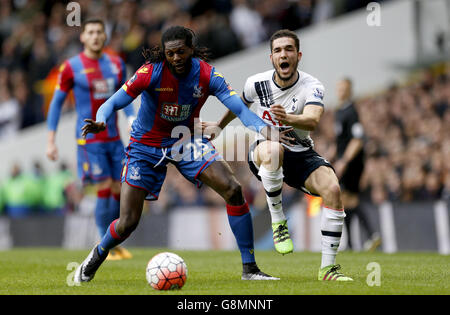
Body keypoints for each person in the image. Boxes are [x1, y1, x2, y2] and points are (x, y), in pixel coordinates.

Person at [74, 26, 287, 283]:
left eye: (181, 52)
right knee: (128, 221)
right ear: (164, 54)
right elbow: (113, 102)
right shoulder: (150, 73)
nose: (176, 58)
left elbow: (240, 110)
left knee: (233, 189)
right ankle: (97, 255)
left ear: (191, 50)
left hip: (184, 141)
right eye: (170, 53)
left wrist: (266, 131)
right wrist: (101, 120)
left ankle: (250, 269)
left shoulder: (207, 75)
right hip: (145, 146)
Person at [206, 29, 353, 281]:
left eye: (288, 49)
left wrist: (289, 118)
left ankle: (328, 269)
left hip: (301, 151)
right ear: (271, 58)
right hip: (264, 150)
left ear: (298, 55)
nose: (283, 54)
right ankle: (278, 221)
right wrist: (219, 127)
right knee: (274, 150)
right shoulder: (257, 83)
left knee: (333, 189)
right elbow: (239, 106)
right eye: (277, 50)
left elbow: (313, 120)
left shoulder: (312, 85)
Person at [46, 18, 135, 260]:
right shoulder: (71, 67)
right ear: (83, 37)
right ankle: (103, 245)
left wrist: (130, 119)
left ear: (104, 37)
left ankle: (112, 242)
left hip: (114, 139)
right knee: (104, 187)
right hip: (89, 141)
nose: (95, 36)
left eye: (99, 32)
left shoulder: (117, 64)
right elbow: (56, 104)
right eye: (91, 32)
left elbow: (125, 98)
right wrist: (50, 140)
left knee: (120, 188)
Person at [334, 78, 381, 251]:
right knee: (345, 200)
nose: (340, 90)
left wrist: (344, 161)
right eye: (339, 87)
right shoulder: (340, 112)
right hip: (345, 160)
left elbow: (357, 140)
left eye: (344, 88)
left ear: (349, 90)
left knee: (349, 199)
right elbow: (342, 140)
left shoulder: (351, 111)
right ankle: (353, 242)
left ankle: (370, 235)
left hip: (352, 162)